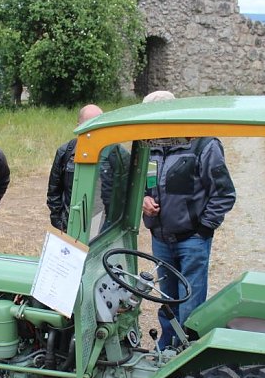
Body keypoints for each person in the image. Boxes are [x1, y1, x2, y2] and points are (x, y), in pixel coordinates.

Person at [140, 90, 237, 349]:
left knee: (190, 305)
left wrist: (202, 229)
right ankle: (166, 349)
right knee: (168, 301)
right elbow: (144, 184)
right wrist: (144, 200)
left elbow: (224, 194)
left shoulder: (204, 145)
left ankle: (187, 353)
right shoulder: (148, 145)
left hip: (192, 240)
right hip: (160, 239)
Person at [46, 104, 129, 232]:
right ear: (78, 125)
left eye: (99, 124)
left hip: (104, 227)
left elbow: (131, 185)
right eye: (90, 124)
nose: (94, 129)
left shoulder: (116, 152)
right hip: (71, 224)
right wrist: (60, 222)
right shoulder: (65, 152)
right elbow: (54, 191)